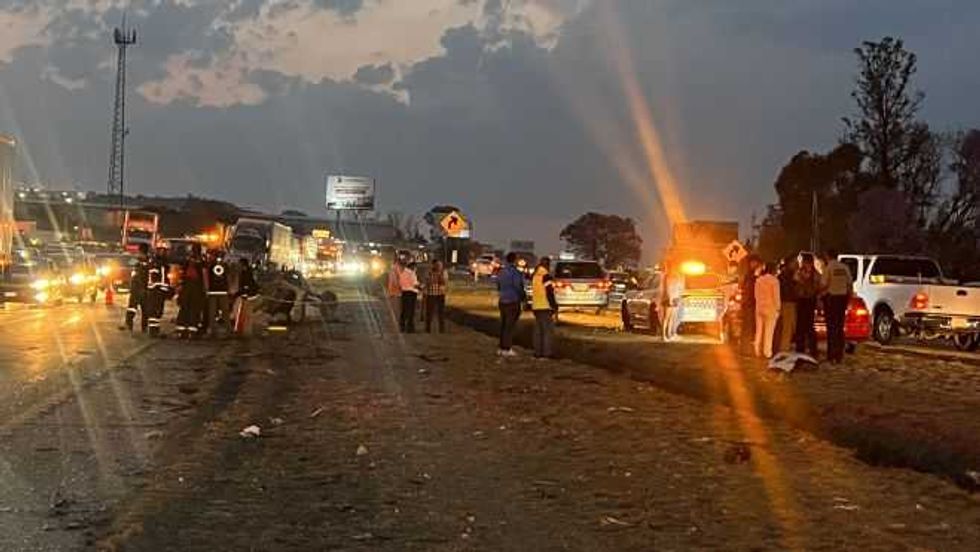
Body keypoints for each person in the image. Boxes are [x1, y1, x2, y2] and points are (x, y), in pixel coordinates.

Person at [821, 249, 853, 364]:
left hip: (831, 300)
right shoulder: (844, 268)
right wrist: (848, 298)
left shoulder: (828, 268)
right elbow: (850, 284)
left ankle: (831, 355)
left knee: (831, 328)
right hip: (842, 299)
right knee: (839, 327)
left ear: (827, 256)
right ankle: (839, 354)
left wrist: (820, 294)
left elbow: (824, 284)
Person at [176, 243, 208, 339]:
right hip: (197, 288)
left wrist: (180, 286)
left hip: (186, 287)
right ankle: (192, 332)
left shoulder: (187, 261)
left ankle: (181, 331)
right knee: (195, 309)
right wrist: (206, 289)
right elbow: (204, 275)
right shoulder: (202, 262)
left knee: (184, 308)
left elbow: (181, 274)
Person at [496, 252, 525, 357]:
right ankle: (507, 348)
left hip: (502, 300)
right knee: (510, 326)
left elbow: (498, 286)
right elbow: (518, 286)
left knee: (503, 325)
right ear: (514, 260)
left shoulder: (501, 272)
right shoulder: (515, 273)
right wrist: (523, 297)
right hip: (513, 301)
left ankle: (501, 347)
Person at [531, 256, 558, 359]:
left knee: (538, 331)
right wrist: (554, 305)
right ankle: (546, 353)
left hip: (536, 306)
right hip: (545, 306)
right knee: (547, 331)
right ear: (547, 265)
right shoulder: (546, 276)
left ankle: (537, 353)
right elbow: (549, 292)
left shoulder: (535, 275)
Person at [754, 262, 781, 359]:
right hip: (771, 308)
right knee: (769, 331)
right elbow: (776, 296)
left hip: (759, 307)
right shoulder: (774, 281)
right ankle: (767, 352)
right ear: (773, 270)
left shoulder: (758, 280)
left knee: (759, 330)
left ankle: (757, 350)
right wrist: (778, 308)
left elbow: (756, 295)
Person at [202, 249, 231, 337]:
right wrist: (228, 289)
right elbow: (228, 277)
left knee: (212, 312)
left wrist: (206, 289)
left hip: (212, 292)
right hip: (223, 291)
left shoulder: (210, 265)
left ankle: (212, 330)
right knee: (225, 312)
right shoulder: (225, 265)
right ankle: (228, 330)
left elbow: (206, 277)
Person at [145, 247, 172, 338]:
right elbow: (159, 278)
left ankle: (154, 330)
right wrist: (164, 288)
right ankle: (153, 331)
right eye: (163, 251)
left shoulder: (158, 262)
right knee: (155, 311)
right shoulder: (158, 263)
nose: (165, 253)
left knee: (157, 311)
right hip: (156, 290)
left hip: (157, 290)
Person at [124, 243, 150, 333]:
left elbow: (129, 266)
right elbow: (130, 267)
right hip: (142, 288)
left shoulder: (137, 260)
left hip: (139, 288)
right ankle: (140, 327)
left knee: (138, 308)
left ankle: (130, 324)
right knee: (141, 309)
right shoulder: (148, 260)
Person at [739, 255, 762, 355]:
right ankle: (746, 350)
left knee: (749, 328)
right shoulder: (750, 276)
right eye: (754, 262)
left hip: (750, 304)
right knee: (748, 328)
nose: (756, 265)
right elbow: (749, 291)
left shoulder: (749, 276)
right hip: (750, 305)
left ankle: (746, 349)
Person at [776, 256, 798, 353]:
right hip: (788, 302)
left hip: (787, 302)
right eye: (794, 262)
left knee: (789, 326)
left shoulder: (783, 275)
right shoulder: (788, 275)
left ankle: (785, 347)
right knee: (787, 327)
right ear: (789, 263)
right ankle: (784, 348)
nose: (797, 264)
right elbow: (790, 289)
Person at [233, 258, 259, 336]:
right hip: (249, 295)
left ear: (242, 265)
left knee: (246, 314)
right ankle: (245, 330)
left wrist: (240, 294)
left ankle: (245, 331)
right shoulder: (247, 272)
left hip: (248, 296)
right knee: (246, 314)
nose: (238, 266)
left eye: (239, 264)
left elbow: (246, 285)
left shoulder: (246, 273)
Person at [661, 264, 685, 342]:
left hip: (675, 298)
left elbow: (678, 288)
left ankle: (670, 334)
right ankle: (664, 336)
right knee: (666, 318)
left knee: (672, 318)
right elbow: (668, 288)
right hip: (669, 298)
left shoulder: (676, 276)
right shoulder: (669, 276)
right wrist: (670, 299)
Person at [424, 260, 448, 333]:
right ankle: (428, 328)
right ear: (434, 265)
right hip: (431, 294)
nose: (439, 267)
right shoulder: (429, 272)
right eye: (437, 265)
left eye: (440, 265)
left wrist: (438, 278)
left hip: (441, 294)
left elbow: (444, 282)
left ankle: (442, 329)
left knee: (441, 312)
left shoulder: (443, 272)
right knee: (429, 312)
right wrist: (436, 279)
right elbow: (428, 282)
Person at [398, 261, 420, 333]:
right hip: (411, 293)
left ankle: (402, 326)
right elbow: (414, 284)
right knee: (411, 311)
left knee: (404, 310)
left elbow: (400, 283)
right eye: (415, 267)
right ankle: (410, 327)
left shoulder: (403, 273)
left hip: (404, 293)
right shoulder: (411, 273)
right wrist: (421, 287)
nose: (416, 269)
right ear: (412, 266)